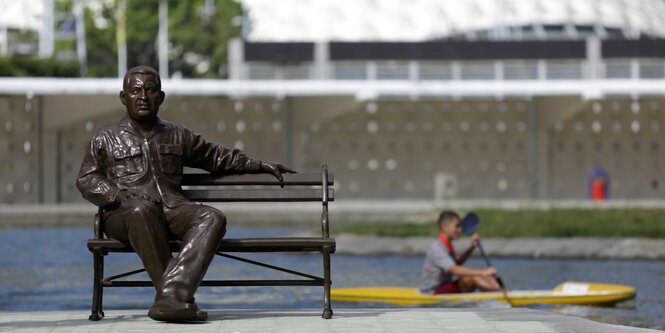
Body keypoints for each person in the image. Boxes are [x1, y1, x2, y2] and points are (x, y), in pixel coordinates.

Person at [76, 65, 294, 322]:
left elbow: (217, 157)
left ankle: (170, 297)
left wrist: (259, 164)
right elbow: (87, 179)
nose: (143, 97)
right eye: (135, 91)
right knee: (140, 210)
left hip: (171, 209)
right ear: (124, 98)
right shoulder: (104, 136)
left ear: (161, 97)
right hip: (125, 215)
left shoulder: (177, 134)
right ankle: (176, 297)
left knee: (212, 217)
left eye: (150, 90)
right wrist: (121, 195)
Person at [419, 211, 502, 294]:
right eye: (457, 226)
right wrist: (483, 272)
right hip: (431, 292)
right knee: (472, 276)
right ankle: (499, 295)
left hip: (444, 287)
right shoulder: (437, 248)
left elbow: (456, 263)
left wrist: (472, 248)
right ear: (444, 227)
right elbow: (454, 269)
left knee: (481, 276)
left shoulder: (447, 245)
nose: (460, 229)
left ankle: (499, 292)